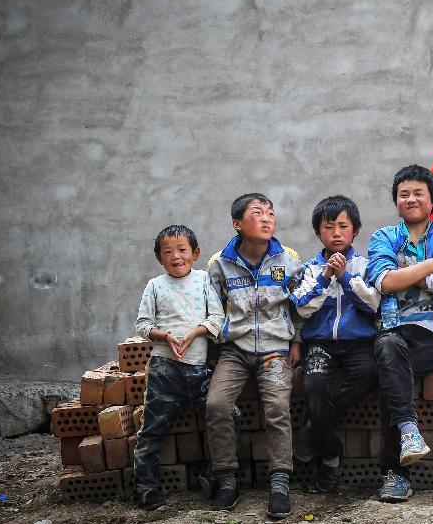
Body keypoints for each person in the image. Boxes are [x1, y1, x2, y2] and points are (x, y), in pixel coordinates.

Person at [366, 165, 433, 502]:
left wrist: (407, 273)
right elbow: (383, 282)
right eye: (403, 194)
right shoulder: (383, 237)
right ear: (396, 201)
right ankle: (409, 433)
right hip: (393, 331)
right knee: (391, 354)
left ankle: (395, 475)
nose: (410, 199)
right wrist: (431, 265)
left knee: (389, 372)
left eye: (417, 193)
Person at [204, 193, 303, 519]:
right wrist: (215, 350)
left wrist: (297, 341)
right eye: (257, 213)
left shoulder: (288, 259)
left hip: (275, 350)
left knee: (277, 406)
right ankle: (227, 478)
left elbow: (300, 305)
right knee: (217, 404)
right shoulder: (219, 263)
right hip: (235, 351)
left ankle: (279, 483)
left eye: (270, 213)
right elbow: (213, 309)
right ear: (237, 223)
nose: (266, 219)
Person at [291, 195, 380, 491]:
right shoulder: (308, 269)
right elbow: (301, 307)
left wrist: (344, 277)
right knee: (314, 385)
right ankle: (330, 456)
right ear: (318, 233)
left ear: (355, 230)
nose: (337, 233)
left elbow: (372, 305)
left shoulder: (366, 266)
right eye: (329, 227)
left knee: (369, 374)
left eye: (344, 226)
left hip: (358, 344)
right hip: (320, 344)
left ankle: (311, 427)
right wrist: (326, 276)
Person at [133, 225, 224, 509]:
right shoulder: (155, 286)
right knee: (152, 428)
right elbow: (143, 325)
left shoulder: (204, 281)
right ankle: (145, 487)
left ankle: (213, 473)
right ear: (160, 258)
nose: (176, 257)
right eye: (168, 252)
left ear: (195, 254)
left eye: (182, 250)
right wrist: (165, 336)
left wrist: (196, 333)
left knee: (226, 416)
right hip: (165, 369)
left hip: (199, 369)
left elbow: (217, 318)